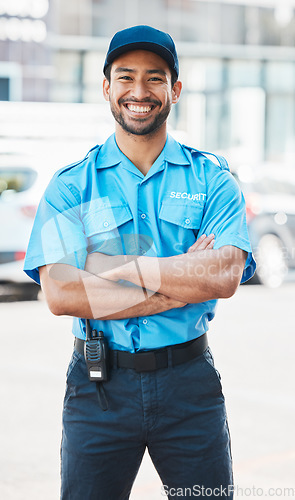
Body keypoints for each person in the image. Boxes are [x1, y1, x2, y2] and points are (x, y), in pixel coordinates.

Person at [24, 25, 256, 500]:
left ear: (175, 89)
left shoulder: (213, 180)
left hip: (189, 386)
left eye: (155, 78)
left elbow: (224, 274)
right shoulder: (71, 186)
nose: (139, 91)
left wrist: (118, 267)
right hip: (98, 390)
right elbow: (63, 293)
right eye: (125, 77)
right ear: (107, 87)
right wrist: (181, 280)